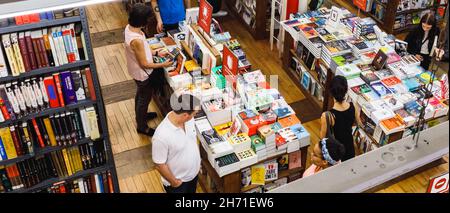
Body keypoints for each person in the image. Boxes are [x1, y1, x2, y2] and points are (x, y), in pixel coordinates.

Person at [125, 3, 173, 137]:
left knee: (140, 95)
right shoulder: (136, 40)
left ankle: (141, 116)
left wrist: (157, 53)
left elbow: (144, 49)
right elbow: (145, 64)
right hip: (142, 74)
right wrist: (163, 64)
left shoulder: (130, 29)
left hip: (135, 70)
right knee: (144, 99)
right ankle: (142, 126)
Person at [152, 94, 202, 193]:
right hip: (179, 184)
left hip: (193, 176)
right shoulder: (161, 136)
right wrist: (174, 182)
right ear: (185, 115)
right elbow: (159, 164)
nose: (195, 115)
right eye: (194, 113)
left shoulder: (189, 120)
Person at [320, 76, 362, 161]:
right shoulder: (353, 107)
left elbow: (322, 138)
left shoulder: (327, 115)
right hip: (350, 148)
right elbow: (360, 124)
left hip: (336, 151)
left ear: (331, 92)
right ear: (346, 90)